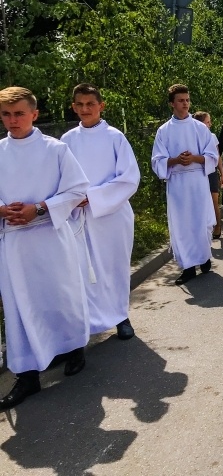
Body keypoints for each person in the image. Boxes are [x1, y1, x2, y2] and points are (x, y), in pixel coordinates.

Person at [0, 86, 90, 409]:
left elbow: (78, 189)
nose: (13, 120)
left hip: (50, 237)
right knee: (20, 307)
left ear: (34, 114)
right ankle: (27, 375)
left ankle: (74, 347)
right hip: (15, 245)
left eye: (19, 113)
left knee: (60, 295)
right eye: (6, 114)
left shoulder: (55, 150)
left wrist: (38, 208)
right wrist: (2, 210)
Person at [62, 83, 141, 341]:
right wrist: (72, 198)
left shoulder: (115, 136)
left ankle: (121, 316)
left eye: (90, 104)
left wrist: (93, 197)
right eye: (80, 105)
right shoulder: (66, 140)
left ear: (101, 106)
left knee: (114, 266)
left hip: (111, 215)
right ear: (74, 107)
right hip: (78, 217)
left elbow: (129, 177)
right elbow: (60, 177)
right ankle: (90, 322)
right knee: (85, 272)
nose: (85, 109)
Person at [151, 84, 218, 284]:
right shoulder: (164, 131)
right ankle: (188, 267)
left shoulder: (199, 128)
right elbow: (157, 160)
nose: (185, 104)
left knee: (200, 222)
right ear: (172, 103)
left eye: (187, 100)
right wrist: (175, 160)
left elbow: (212, 155)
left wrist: (195, 159)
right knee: (182, 225)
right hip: (178, 184)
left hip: (197, 180)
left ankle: (204, 257)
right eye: (181, 100)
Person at [194, 111, 223, 239]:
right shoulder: (192, 136)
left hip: (211, 172)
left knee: (213, 201)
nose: (210, 124)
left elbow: (217, 157)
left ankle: (217, 226)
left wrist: (222, 174)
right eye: (207, 122)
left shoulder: (212, 136)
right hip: (197, 173)